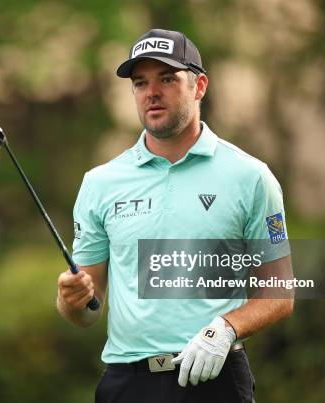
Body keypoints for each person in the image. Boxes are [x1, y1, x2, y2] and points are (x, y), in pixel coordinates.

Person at [56, 28, 294, 403]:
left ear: (199, 86)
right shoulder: (100, 183)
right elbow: (89, 311)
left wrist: (226, 328)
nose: (152, 92)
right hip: (127, 383)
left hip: (215, 379)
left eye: (167, 79)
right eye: (140, 82)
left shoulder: (250, 177)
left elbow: (279, 294)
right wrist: (72, 301)